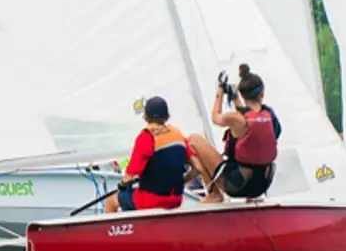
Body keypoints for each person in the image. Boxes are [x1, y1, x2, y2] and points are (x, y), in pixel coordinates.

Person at [195, 64, 279, 202]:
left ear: (242, 94)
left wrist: (220, 91)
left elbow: (215, 117)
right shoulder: (270, 116)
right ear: (262, 93)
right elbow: (251, 123)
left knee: (194, 139)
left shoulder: (236, 119)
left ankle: (214, 194)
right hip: (263, 184)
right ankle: (254, 198)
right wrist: (235, 99)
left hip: (236, 185)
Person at [105, 96, 193, 213]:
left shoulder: (146, 137)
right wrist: (181, 181)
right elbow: (198, 168)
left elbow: (129, 177)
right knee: (133, 195)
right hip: (176, 199)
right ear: (167, 116)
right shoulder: (178, 135)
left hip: (151, 200)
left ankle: (121, 230)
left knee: (111, 201)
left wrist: (122, 185)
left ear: (145, 117)